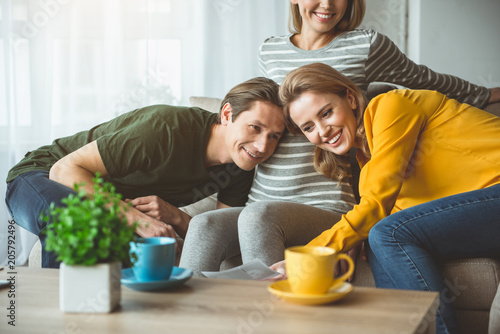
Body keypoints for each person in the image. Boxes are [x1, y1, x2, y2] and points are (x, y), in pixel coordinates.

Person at [180, 0, 500, 276]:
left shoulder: (368, 46)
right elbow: (259, 118)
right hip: (267, 192)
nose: (328, 4)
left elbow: (425, 80)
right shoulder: (270, 50)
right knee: (204, 225)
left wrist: (486, 94)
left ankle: (269, 319)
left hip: (324, 197)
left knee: (258, 218)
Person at [273, 62, 500, 334]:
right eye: (309, 127)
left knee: (385, 233)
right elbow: (380, 213)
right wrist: (359, 237)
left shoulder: (390, 106)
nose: (322, 131)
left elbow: (377, 207)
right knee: (376, 239)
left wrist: (313, 254)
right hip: (483, 214)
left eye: (326, 113)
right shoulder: (369, 167)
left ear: (349, 98)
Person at [5, 77, 286, 268]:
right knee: (75, 220)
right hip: (37, 176)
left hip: (98, 201)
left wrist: (175, 216)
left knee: (142, 248)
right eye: (255, 127)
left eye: (274, 136)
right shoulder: (165, 130)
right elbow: (64, 169)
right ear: (227, 115)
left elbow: (220, 234)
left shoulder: (243, 164)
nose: (263, 146)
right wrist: (134, 218)